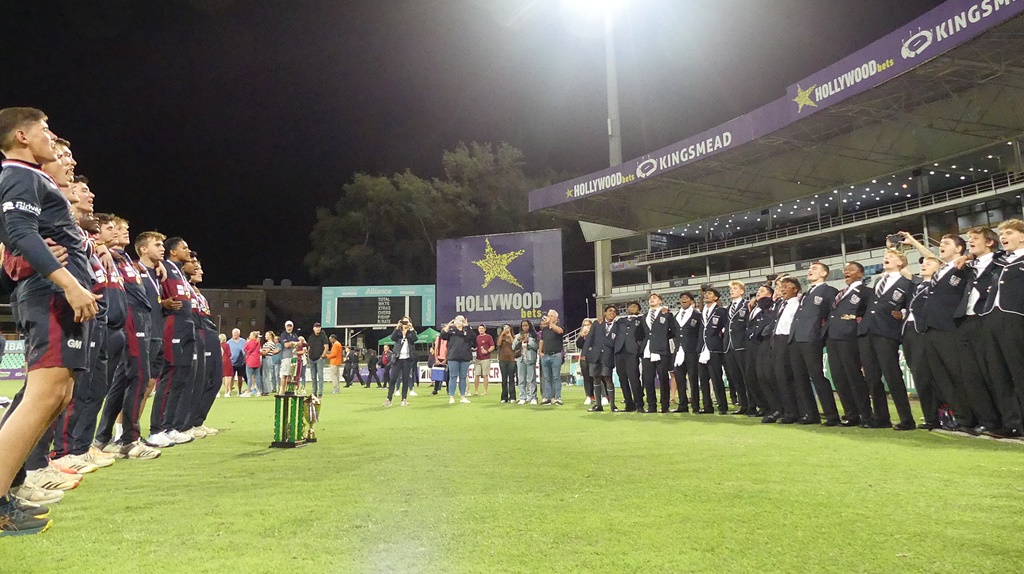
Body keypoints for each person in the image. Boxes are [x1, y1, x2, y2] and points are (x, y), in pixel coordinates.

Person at [0, 108, 100, 535]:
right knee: (42, 395)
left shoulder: (32, 176)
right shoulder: (19, 174)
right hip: (51, 297)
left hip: (58, 296)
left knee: (55, 396)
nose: (52, 137)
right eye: (45, 130)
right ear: (21, 135)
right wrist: (69, 284)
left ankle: (10, 488)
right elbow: (18, 233)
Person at [953, 227, 1005, 436]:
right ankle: (987, 420)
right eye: (969, 239)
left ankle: (1007, 420)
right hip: (965, 321)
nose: (971, 241)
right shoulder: (969, 265)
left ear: (990, 242)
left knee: (994, 372)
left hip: (987, 319)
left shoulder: (1001, 261)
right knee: (971, 375)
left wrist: (968, 257)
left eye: (975, 238)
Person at [858, 249, 915, 430]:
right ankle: (881, 417)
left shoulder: (907, 283)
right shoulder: (878, 281)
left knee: (892, 375)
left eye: (891, 257)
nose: (886, 259)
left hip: (887, 331)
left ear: (901, 262)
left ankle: (906, 419)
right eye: (885, 257)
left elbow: (912, 305)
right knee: (872, 377)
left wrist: (903, 313)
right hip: (868, 330)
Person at [977, 219, 1024, 438]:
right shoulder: (998, 262)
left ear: (1022, 236)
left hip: (1015, 318)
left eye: (1009, 232)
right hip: (991, 318)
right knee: (997, 373)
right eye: (1001, 233)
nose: (1003, 236)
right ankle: (1011, 423)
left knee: (1019, 371)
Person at [789, 262, 840, 425]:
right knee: (800, 378)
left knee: (816, 376)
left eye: (815, 269)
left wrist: (821, 333)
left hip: (812, 338)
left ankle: (831, 414)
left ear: (824, 273)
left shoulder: (829, 291)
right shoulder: (806, 293)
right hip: (796, 337)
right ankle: (810, 414)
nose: (810, 271)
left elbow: (832, 315)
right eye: (810, 269)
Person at [824, 263, 872, 427]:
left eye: (851, 269)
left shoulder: (866, 292)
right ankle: (851, 414)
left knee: (853, 376)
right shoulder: (841, 293)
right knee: (839, 377)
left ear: (860, 274)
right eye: (845, 270)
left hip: (850, 337)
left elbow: (867, 314)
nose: (847, 272)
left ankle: (866, 415)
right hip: (832, 337)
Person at [769, 277, 802, 424]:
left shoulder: (797, 304)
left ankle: (793, 412)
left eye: (786, 286)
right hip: (777, 340)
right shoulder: (782, 304)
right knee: (779, 377)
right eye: (781, 287)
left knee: (787, 377)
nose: (782, 289)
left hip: (788, 340)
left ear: (795, 289)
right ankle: (787, 410)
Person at [696, 288, 728, 415]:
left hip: (714, 347)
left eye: (709, 294)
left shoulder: (721, 311)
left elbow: (726, 325)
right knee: (703, 379)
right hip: (702, 348)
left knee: (716, 378)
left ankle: (722, 406)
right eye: (705, 294)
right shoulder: (702, 312)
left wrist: (722, 334)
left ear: (716, 297)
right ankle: (707, 406)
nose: (706, 296)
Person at [582, 305, 619, 412]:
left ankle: (613, 405)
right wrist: (584, 353)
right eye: (610, 311)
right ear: (605, 313)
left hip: (608, 355)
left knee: (608, 378)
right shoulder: (597, 324)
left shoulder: (617, 325)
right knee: (596, 378)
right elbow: (589, 338)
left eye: (615, 311)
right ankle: (598, 405)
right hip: (595, 355)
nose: (613, 313)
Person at [722, 281, 749, 414]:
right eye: (731, 289)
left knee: (746, 377)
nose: (732, 290)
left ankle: (752, 404)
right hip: (729, 346)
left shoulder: (747, 305)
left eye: (735, 288)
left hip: (741, 345)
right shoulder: (728, 308)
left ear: (742, 291)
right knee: (735, 378)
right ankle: (743, 404)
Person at [672, 293, 700, 414]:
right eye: (682, 298)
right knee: (679, 379)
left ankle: (695, 405)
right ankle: (682, 404)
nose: (684, 300)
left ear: (691, 301)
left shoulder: (697, 315)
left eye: (686, 298)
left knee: (693, 378)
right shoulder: (676, 316)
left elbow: (700, 333)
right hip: (679, 351)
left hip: (692, 351)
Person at [612, 302, 642, 411]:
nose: (631, 308)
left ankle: (639, 403)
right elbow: (613, 333)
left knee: (634, 378)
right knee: (623, 379)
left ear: (639, 309)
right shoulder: (620, 321)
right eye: (630, 306)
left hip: (632, 352)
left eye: (634, 306)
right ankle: (629, 404)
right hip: (619, 351)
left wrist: (639, 347)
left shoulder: (641, 320)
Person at [440, 315, 474, 404]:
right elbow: (442, 336)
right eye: (458, 320)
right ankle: (451, 396)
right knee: (453, 376)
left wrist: (467, 326)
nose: (459, 322)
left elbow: (473, 338)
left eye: (461, 320)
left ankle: (463, 396)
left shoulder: (467, 330)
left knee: (463, 377)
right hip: (453, 357)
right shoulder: (451, 331)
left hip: (465, 357)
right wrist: (448, 326)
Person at [386, 317, 418, 406]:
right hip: (397, 358)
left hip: (407, 359)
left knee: (405, 379)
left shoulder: (411, 332)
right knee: (393, 379)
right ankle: (389, 399)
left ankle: (404, 399)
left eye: (407, 322)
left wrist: (411, 328)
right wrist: (397, 327)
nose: (405, 324)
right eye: (404, 322)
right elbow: (392, 338)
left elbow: (415, 339)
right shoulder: (398, 332)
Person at [537, 310, 565, 405]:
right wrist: (540, 352)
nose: (549, 317)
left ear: (556, 318)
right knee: (546, 378)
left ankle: (557, 397)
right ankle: (547, 397)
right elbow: (542, 341)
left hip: (556, 355)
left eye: (551, 316)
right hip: (546, 355)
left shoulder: (559, 327)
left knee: (556, 377)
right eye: (548, 316)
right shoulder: (545, 330)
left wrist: (550, 323)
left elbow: (560, 331)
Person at [513, 320, 538, 404]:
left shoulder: (533, 336)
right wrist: (518, 340)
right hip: (521, 359)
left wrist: (529, 342)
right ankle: (522, 397)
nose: (525, 327)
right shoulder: (518, 336)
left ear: (529, 326)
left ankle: (533, 397)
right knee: (521, 379)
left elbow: (536, 347)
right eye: (523, 326)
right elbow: (513, 347)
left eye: (526, 325)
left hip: (530, 359)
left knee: (531, 379)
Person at [306, 323, 329, 398]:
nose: (318, 328)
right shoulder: (311, 337)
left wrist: (322, 356)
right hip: (312, 359)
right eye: (316, 327)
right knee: (313, 377)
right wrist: (308, 356)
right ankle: (314, 392)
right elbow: (309, 347)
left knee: (320, 376)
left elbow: (326, 347)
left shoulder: (323, 336)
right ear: (313, 328)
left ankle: (320, 393)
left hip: (319, 359)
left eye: (319, 327)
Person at [576, 319, 595, 404]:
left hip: (594, 357)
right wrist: (583, 337)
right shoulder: (581, 336)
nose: (586, 327)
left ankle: (604, 395)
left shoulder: (595, 334)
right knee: (587, 378)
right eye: (584, 325)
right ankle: (589, 395)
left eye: (588, 325)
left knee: (597, 377)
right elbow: (579, 345)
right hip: (584, 358)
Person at [472, 324, 494, 396]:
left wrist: (487, 351)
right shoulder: (477, 337)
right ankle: (476, 391)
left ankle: (485, 391)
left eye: (482, 328)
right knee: (476, 375)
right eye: (479, 328)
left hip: (486, 358)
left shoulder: (488, 337)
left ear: (485, 329)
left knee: (485, 375)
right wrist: (474, 349)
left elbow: (492, 346)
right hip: (478, 358)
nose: (481, 330)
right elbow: (476, 346)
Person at [496, 324, 517, 403]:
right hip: (502, 360)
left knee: (511, 378)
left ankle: (512, 397)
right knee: (504, 379)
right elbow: (498, 344)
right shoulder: (501, 337)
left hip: (511, 360)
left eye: (508, 328)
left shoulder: (514, 337)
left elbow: (514, 345)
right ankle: (504, 397)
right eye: (505, 328)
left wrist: (509, 335)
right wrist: (502, 335)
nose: (506, 329)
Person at [278, 320, 299, 390]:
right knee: (284, 374)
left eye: (290, 326)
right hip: (286, 357)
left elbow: (299, 343)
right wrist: (293, 343)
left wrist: (293, 343)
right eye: (288, 326)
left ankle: (288, 390)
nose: (289, 328)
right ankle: (282, 390)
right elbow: (286, 345)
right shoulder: (283, 335)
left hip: (294, 357)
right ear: (285, 327)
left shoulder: (294, 335)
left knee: (291, 375)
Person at [227, 328, 247, 395]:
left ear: (239, 334)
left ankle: (239, 391)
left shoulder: (243, 341)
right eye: (234, 333)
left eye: (236, 333)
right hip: (231, 362)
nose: (235, 335)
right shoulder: (229, 342)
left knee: (240, 377)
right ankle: (230, 391)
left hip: (241, 362)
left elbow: (246, 350)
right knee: (231, 377)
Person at [243, 331, 262, 397]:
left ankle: (248, 391)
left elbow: (245, 348)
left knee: (249, 377)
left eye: (251, 335)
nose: (250, 336)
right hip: (257, 361)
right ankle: (259, 391)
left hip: (250, 360)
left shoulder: (250, 342)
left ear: (254, 336)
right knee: (257, 377)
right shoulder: (258, 343)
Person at [260, 331, 279, 396]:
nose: (265, 336)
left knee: (266, 375)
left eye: (266, 335)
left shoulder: (271, 343)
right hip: (264, 358)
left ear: (270, 336)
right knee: (264, 375)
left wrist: (261, 351)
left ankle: (267, 390)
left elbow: (265, 352)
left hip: (268, 358)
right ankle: (264, 389)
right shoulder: (266, 343)